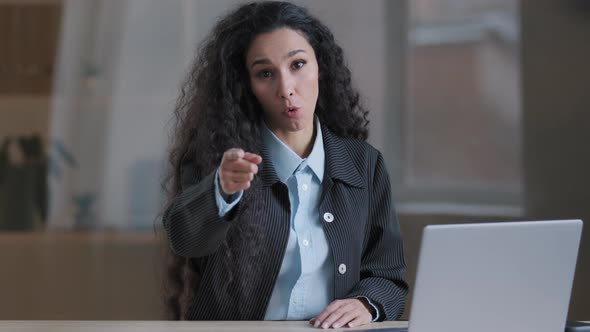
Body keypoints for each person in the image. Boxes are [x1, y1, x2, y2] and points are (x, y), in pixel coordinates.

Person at [162, 1, 408, 328]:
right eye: (265, 73)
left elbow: (388, 275)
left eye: (298, 64)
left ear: (321, 66)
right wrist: (221, 191)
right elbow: (184, 239)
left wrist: (366, 303)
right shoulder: (218, 162)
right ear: (246, 86)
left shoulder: (364, 164)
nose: (286, 89)